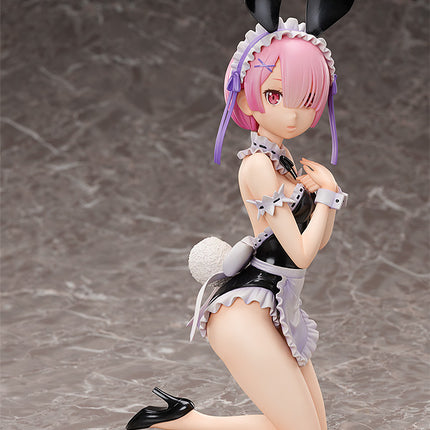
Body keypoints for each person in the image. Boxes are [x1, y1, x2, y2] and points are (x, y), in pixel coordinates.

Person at [126, 5, 352, 430]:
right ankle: (177, 425)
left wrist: (327, 195)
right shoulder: (257, 166)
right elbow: (300, 254)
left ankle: (178, 422)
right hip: (244, 310)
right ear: (247, 97)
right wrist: (327, 198)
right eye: (275, 95)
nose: (293, 114)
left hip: (279, 308)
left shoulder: (283, 159)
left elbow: (316, 242)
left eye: (308, 100)